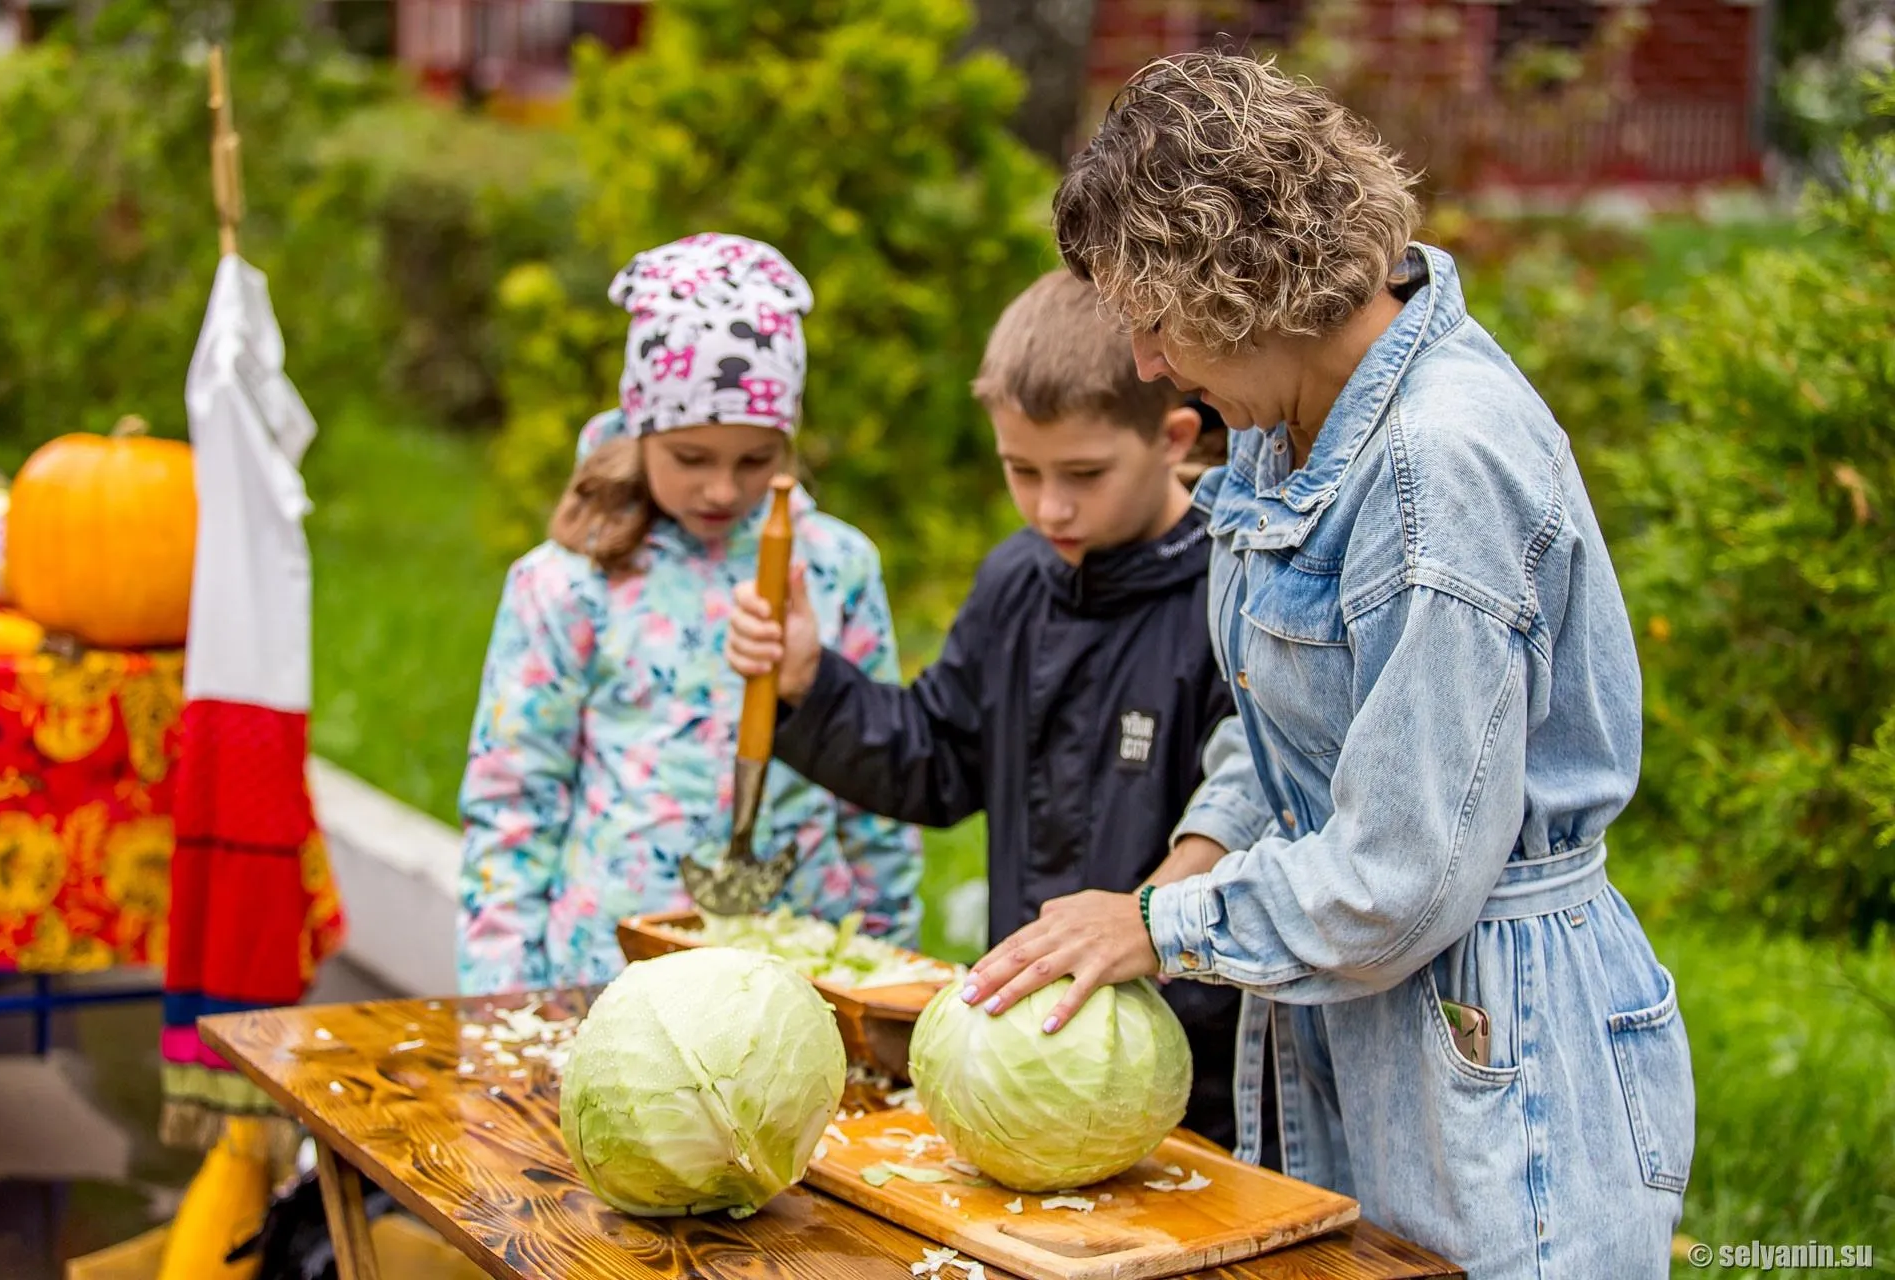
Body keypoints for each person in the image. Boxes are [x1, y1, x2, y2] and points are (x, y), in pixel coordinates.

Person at [961, 54, 1693, 1278]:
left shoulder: (1434, 468)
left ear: (1238, 284)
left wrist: (1160, 922)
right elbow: (1285, 722)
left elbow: (1402, 874)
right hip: (1357, 1034)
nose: (1146, 365)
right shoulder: (1284, 419)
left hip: (1499, 1077)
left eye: (1154, 322)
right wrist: (1200, 850)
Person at [725, 268, 1252, 1152]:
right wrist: (809, 687)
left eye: (1084, 473)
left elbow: (1258, 809)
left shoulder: (1231, 594)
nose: (1050, 506)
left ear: (1174, 436)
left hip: (1199, 1082)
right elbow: (933, 761)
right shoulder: (1017, 581)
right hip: (1030, 1063)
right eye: (1021, 470)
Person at [456, 233, 922, 996]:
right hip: (607, 979)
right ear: (641, 428)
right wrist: (503, 994)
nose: (720, 490)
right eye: (691, 458)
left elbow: (878, 783)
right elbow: (514, 797)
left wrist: (887, 970)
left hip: (801, 980)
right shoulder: (569, 580)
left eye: (755, 459)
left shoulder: (835, 569)